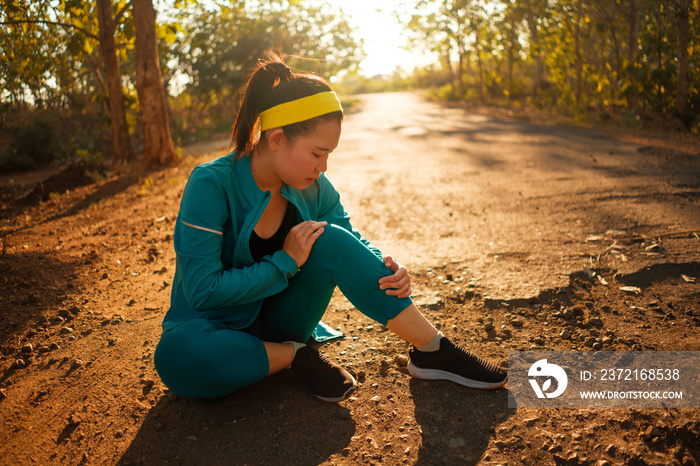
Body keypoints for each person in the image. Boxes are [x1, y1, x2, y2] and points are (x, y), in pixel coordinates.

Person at [154, 52, 507, 402]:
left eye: (329, 156)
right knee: (175, 355)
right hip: (212, 329)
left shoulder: (314, 186)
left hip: (280, 321)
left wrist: (387, 265)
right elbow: (201, 290)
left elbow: (350, 241)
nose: (323, 166)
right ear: (277, 139)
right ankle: (295, 356)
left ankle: (434, 350)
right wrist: (284, 263)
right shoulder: (211, 184)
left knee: (331, 238)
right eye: (317, 153)